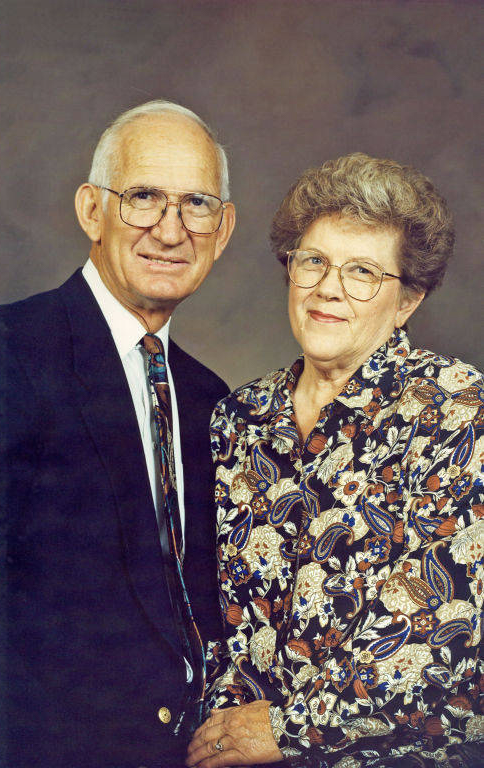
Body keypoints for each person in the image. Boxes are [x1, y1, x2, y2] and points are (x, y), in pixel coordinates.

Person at [187, 153, 483, 768]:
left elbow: (451, 663)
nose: (329, 289)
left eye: (364, 272)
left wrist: (283, 731)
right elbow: (205, 617)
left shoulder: (458, 415)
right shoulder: (238, 420)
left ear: (407, 301)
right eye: (313, 261)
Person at [0, 100, 235, 768]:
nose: (170, 229)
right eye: (143, 197)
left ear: (223, 229)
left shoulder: (209, 399)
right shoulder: (9, 351)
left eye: (196, 204)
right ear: (91, 211)